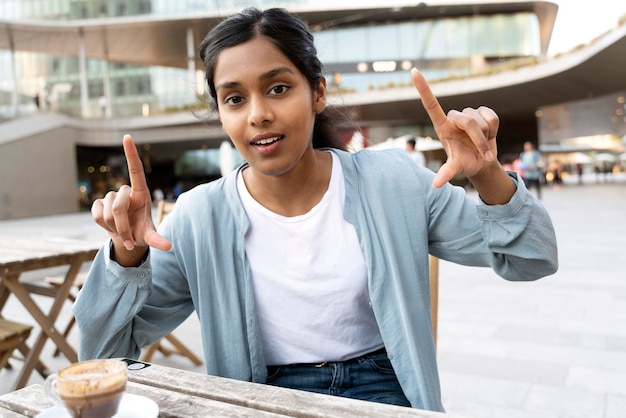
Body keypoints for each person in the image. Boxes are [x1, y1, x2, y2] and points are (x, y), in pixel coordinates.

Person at [74, 7, 558, 413]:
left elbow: (533, 258)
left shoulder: (393, 182)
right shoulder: (200, 217)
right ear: (222, 114)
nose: (258, 113)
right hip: (261, 397)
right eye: (235, 98)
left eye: (278, 88)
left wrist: (487, 174)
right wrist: (126, 257)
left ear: (318, 93)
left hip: (384, 390)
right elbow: (102, 356)